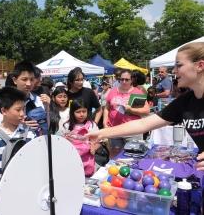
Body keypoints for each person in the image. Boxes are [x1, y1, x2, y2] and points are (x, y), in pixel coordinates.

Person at [86, 42, 204, 170]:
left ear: (200, 66)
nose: (174, 70)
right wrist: (101, 133)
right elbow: (144, 124)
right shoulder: (185, 101)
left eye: (179, 65)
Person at [0, 87, 36, 215]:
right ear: (4, 111)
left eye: (23, 109)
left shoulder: (30, 133)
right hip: (3, 192)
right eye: (18, 110)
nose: (22, 114)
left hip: (28, 192)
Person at [103, 69, 150, 157]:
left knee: (133, 155)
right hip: (115, 129)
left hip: (133, 131)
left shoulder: (137, 92)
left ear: (131, 80)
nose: (124, 81)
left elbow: (146, 111)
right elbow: (107, 107)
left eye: (127, 79)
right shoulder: (113, 91)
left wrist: (131, 110)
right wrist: (104, 122)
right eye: (122, 79)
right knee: (115, 155)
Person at [64, 99, 101, 177]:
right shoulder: (66, 125)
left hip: (88, 160)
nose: (81, 114)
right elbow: (62, 142)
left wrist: (94, 147)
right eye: (78, 112)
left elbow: (99, 142)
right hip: (72, 160)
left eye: (84, 111)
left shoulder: (92, 125)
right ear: (72, 113)